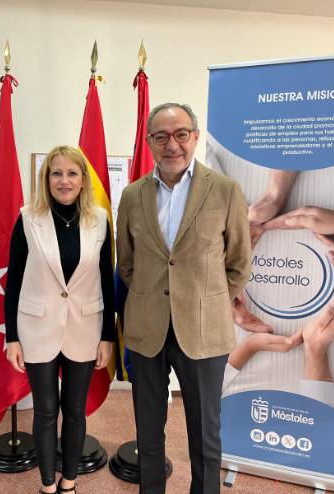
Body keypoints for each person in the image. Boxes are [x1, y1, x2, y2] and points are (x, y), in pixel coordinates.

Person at [117, 103, 251, 494]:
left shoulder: (224, 190)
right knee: (148, 431)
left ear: (194, 137)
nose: (171, 144)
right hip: (147, 327)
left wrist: (205, 301)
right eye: (161, 136)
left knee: (206, 434)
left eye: (180, 134)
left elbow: (239, 263)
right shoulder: (132, 195)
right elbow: (127, 263)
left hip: (204, 330)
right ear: (149, 142)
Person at [4, 145, 115, 494]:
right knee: (46, 411)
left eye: (71, 173)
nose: (63, 180)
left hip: (85, 327)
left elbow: (106, 279)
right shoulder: (28, 218)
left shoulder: (100, 219)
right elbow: (13, 281)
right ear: (46, 179)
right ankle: (48, 485)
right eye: (56, 173)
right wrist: (11, 337)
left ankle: (69, 482)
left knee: (75, 410)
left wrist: (108, 336)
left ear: (82, 180)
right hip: (37, 328)